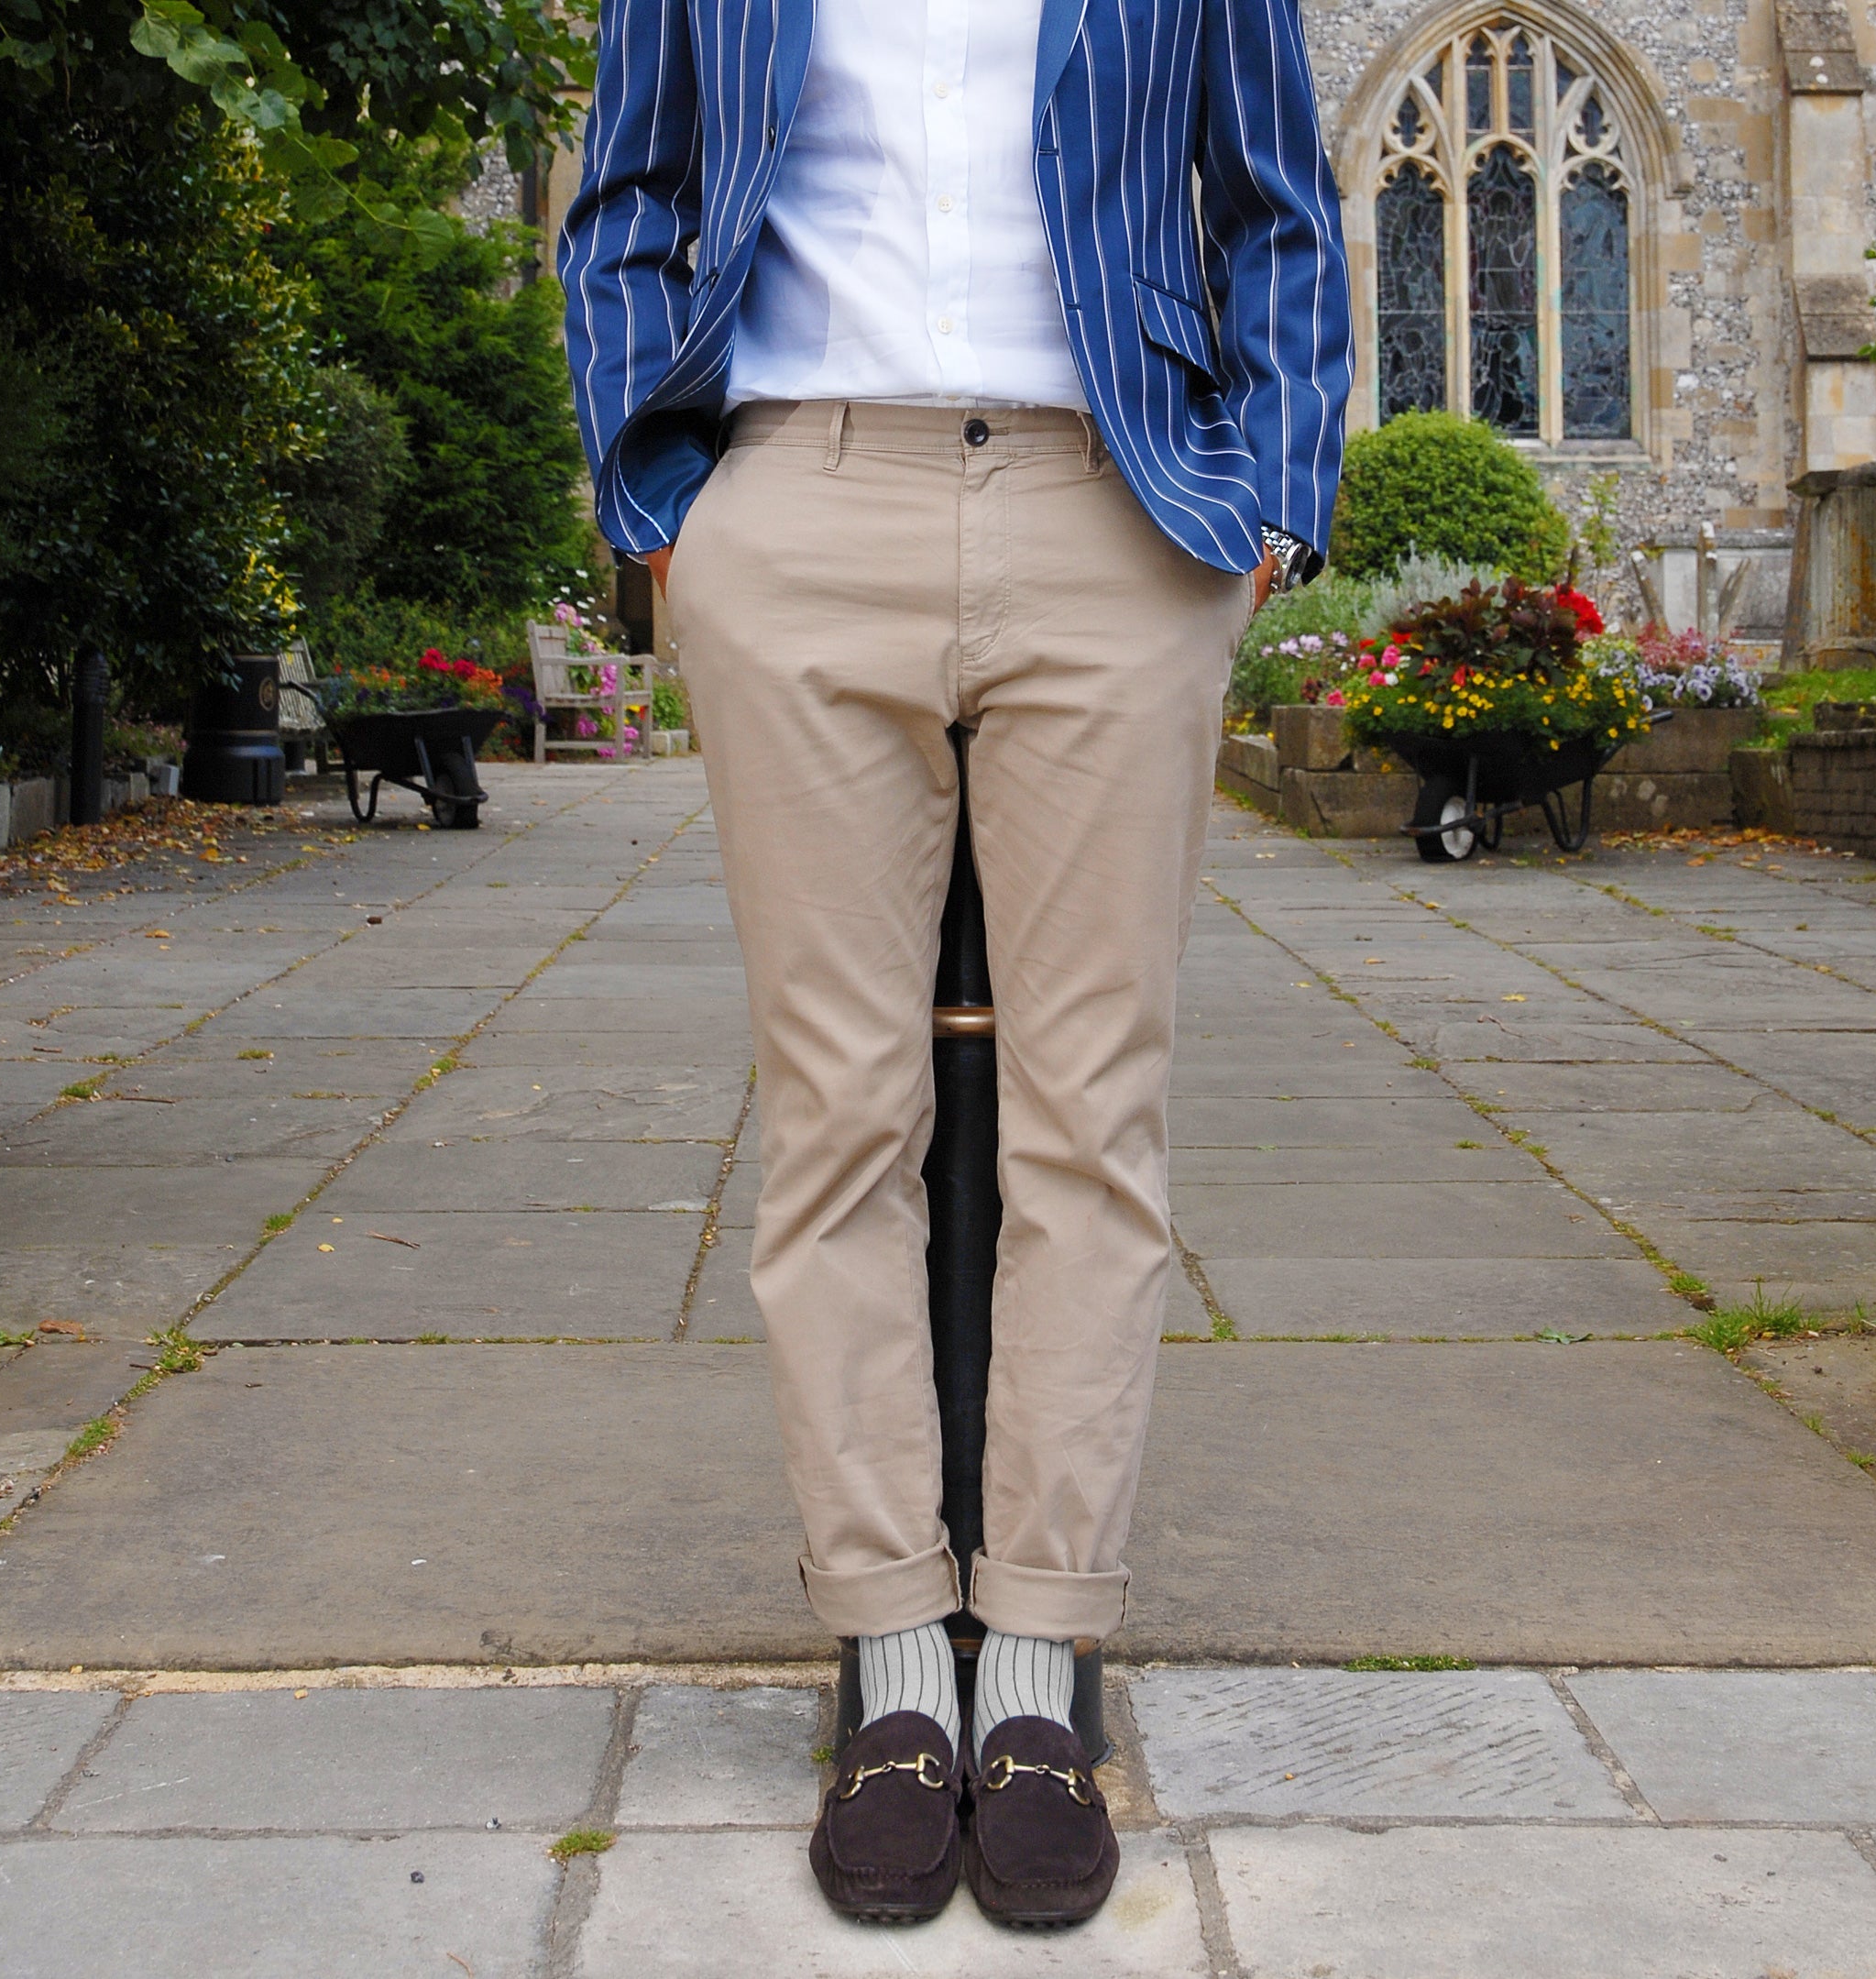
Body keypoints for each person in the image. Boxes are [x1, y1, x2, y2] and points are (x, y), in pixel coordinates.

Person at [561, 0, 1351, 1928]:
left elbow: (1282, 206)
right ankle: (896, 1653)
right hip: (798, 505)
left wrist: (1275, 497)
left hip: (1117, 506)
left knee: (1094, 1119)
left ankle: (1046, 1664)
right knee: (839, 1114)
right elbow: (628, 199)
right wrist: (663, 505)